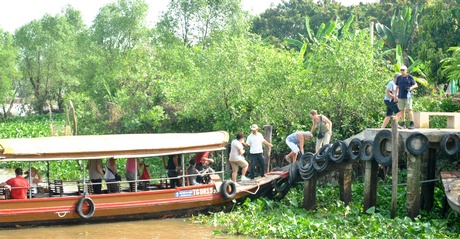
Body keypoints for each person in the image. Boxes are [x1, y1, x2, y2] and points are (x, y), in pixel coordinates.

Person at [395, 65, 418, 129]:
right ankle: (403, 123)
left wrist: (411, 88)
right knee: (402, 110)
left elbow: (416, 85)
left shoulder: (409, 77)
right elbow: (397, 87)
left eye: (403, 70)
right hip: (400, 96)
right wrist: (395, 95)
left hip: (408, 96)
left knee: (409, 109)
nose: (402, 71)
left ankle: (412, 123)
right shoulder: (399, 78)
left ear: (406, 70)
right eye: (401, 70)